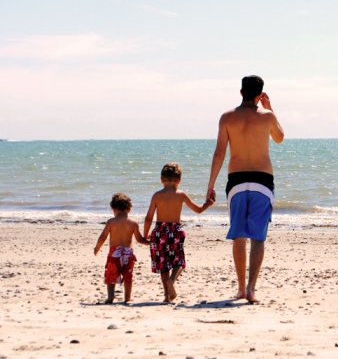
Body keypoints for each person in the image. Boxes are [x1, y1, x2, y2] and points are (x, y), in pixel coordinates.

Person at [206, 75, 284, 303]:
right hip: (262, 180)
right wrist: (270, 108)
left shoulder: (227, 117)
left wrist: (210, 185)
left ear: (241, 92)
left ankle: (240, 288)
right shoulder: (267, 116)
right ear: (260, 95)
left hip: (237, 180)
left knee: (239, 235)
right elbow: (279, 138)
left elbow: (219, 153)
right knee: (258, 237)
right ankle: (251, 289)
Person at [144, 162, 214, 303]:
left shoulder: (157, 195)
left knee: (163, 265)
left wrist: (145, 234)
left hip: (160, 231)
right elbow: (198, 210)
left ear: (162, 179)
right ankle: (172, 280)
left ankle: (166, 296)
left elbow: (149, 217)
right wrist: (209, 203)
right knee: (179, 261)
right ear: (179, 180)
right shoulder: (181, 195)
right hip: (175, 231)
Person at [94, 193, 149, 304]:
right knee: (128, 275)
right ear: (129, 209)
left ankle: (110, 297)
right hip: (128, 253)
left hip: (114, 253)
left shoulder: (111, 222)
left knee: (111, 274)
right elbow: (139, 239)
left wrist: (97, 248)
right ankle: (127, 297)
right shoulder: (133, 222)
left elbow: (103, 237)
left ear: (113, 209)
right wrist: (149, 242)